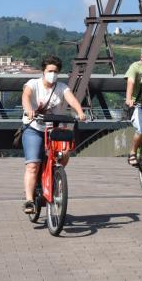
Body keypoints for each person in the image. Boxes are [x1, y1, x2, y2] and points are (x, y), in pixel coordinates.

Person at [20, 55, 86, 214]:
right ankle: (29, 200)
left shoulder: (61, 87)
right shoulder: (33, 84)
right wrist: (29, 110)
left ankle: (55, 174)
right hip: (34, 127)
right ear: (43, 71)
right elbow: (26, 96)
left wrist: (80, 112)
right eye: (50, 71)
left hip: (54, 130)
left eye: (56, 71)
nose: (53, 74)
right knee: (32, 165)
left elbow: (71, 99)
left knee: (65, 153)